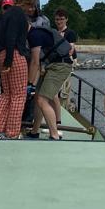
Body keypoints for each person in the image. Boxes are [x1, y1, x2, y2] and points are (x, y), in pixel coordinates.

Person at [26, 9, 77, 138]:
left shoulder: (34, 36)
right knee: (38, 97)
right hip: (53, 65)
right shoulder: (37, 32)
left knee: (42, 99)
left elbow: (35, 62)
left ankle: (54, 134)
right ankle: (35, 131)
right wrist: (33, 86)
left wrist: (29, 84)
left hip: (60, 66)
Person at [0, 0, 31, 139]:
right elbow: (11, 37)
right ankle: (12, 133)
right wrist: (9, 60)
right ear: (26, 3)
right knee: (18, 96)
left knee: (6, 95)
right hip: (14, 55)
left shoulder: (6, 14)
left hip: (0, 53)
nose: (31, 9)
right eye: (31, 5)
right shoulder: (19, 14)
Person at [22, 0, 62, 140]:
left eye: (33, 6)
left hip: (40, 60)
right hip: (28, 56)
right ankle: (34, 128)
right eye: (28, 6)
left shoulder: (43, 20)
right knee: (35, 96)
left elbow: (40, 52)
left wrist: (31, 81)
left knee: (40, 96)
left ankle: (53, 131)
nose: (31, 9)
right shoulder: (22, 18)